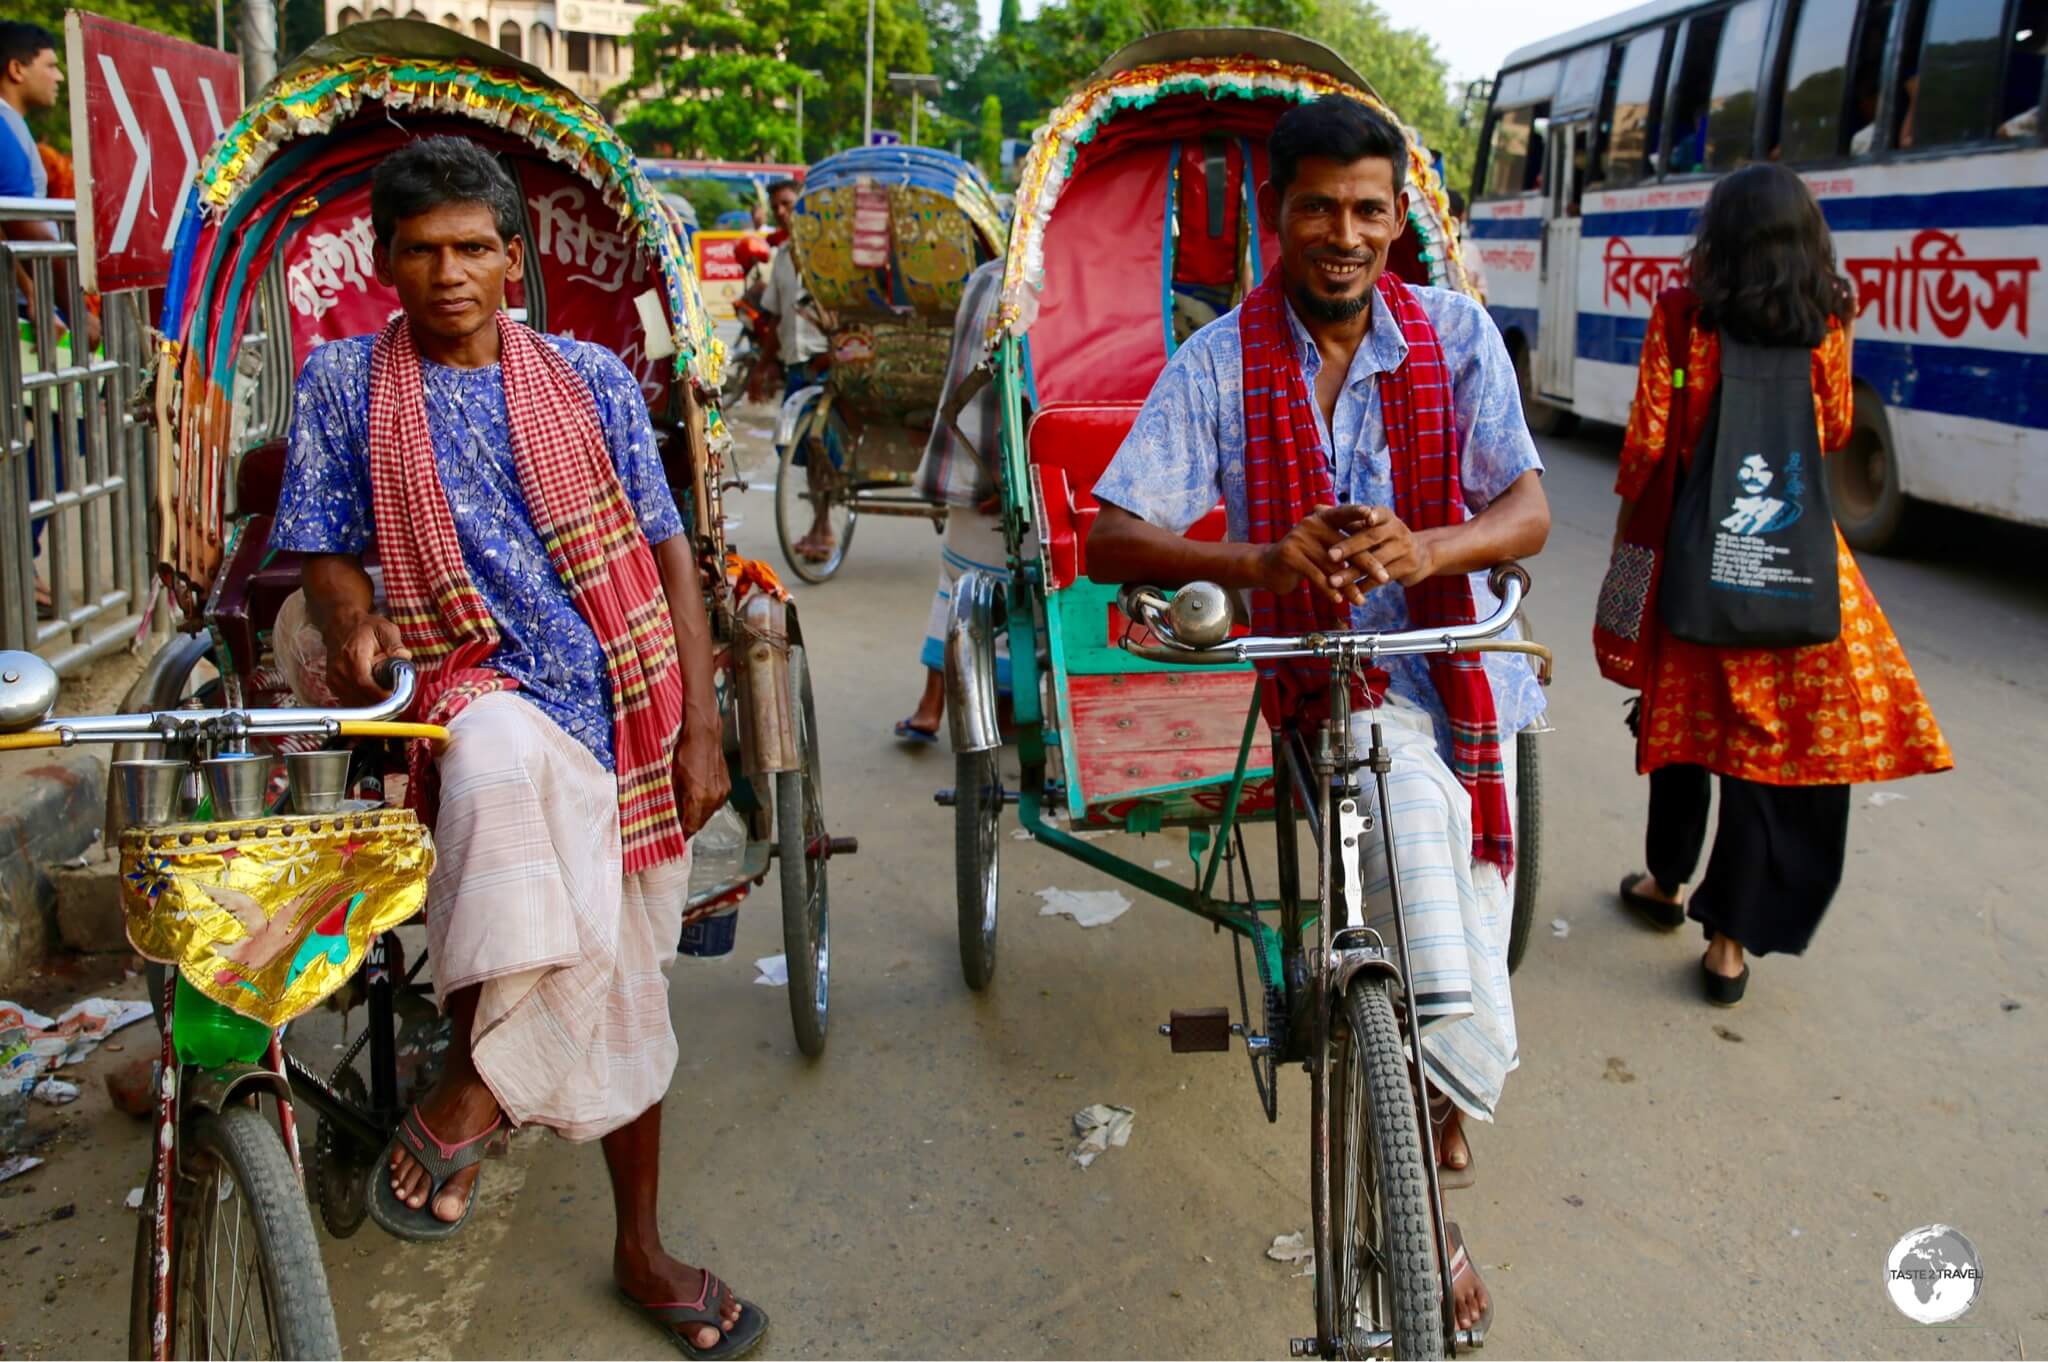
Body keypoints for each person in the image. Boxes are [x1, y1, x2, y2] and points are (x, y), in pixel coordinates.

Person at [267, 137, 765, 1357]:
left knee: (620, 943)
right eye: (423, 250)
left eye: (474, 248)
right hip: (467, 673)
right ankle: (492, 1104)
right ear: (385, 262)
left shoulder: (591, 376)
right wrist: (350, 618)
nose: (449, 273)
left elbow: (665, 551)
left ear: (512, 261)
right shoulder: (342, 383)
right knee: (488, 768)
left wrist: (705, 725)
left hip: (626, 688)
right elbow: (323, 541)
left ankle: (521, 1135)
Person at [1085, 96, 1551, 1337]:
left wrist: (1430, 541)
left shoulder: (1453, 334)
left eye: (1365, 210)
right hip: (1307, 674)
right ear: (1272, 218)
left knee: (1446, 873)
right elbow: (1106, 537)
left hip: (1452, 669)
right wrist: (1256, 564)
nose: (1341, 234)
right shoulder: (1216, 364)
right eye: (1315, 209)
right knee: (1400, 826)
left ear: (1396, 221)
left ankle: (1434, 1066)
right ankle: (1429, 1189)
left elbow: (1528, 509)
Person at [1610, 163, 1952, 1005]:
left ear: (1716, 239)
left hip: (1696, 562)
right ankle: (1728, 949)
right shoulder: (1827, 322)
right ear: (1807, 240)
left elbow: (1650, 443)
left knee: (1684, 734)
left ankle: (1666, 884)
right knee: (1769, 756)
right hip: (1798, 570)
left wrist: (1632, 567)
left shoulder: (1682, 317)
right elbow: (1833, 427)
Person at [897, 257, 1010, 744]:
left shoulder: (986, 276)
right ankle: (1005, 708)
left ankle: (932, 703)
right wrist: (1009, 475)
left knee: (955, 584)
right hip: (1008, 472)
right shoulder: (1046, 283)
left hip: (966, 462)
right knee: (1012, 595)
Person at [756, 176, 838, 561]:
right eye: (778, 209)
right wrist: (762, 366)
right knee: (795, 445)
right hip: (795, 364)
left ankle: (823, 527)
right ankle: (819, 524)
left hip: (828, 364)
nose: (783, 213)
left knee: (821, 444)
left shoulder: (829, 249)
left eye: (788, 204)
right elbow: (773, 318)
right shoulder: (783, 257)